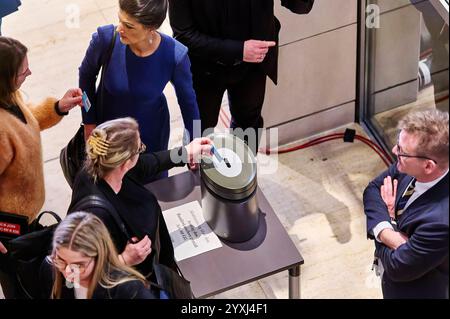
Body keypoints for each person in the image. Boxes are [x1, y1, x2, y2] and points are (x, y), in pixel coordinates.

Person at [68, 117, 212, 281]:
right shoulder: (95, 215)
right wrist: (124, 260)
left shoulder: (100, 168)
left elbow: (149, 163)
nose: (142, 151)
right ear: (125, 163)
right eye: (140, 148)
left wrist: (185, 152)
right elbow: (75, 275)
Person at [168, 0, 314, 153]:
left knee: (248, 124)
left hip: (253, 64)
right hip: (205, 67)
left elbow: (301, 6)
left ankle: (244, 172)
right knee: (199, 130)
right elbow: (183, 35)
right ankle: (197, 175)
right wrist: (238, 50)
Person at [79, 0, 200, 180]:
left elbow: (189, 105)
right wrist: (89, 122)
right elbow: (86, 77)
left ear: (151, 28)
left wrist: (194, 141)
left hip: (151, 137)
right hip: (107, 135)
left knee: (150, 191)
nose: (120, 28)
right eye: (120, 19)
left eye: (128, 26)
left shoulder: (174, 55)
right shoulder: (104, 39)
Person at [0, 36, 82, 298]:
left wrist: (57, 108)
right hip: (8, 231)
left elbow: (26, 121)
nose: (30, 72)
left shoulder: (9, 97)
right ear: (6, 76)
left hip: (27, 220)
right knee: (20, 285)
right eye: (23, 71)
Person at [363, 109, 449, 299]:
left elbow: (397, 267)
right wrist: (387, 231)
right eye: (398, 144)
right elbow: (373, 189)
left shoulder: (441, 222)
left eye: (401, 151)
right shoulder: (409, 162)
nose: (395, 152)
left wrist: (390, 219)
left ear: (428, 166)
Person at [42, 212, 156, 299]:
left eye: (79, 265)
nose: (68, 273)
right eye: (61, 261)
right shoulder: (50, 269)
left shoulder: (131, 291)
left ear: (100, 256)